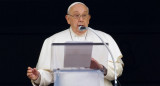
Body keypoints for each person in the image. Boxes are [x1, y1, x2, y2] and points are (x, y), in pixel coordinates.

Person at [27, 2, 124, 86]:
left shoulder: (104, 38)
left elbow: (118, 70)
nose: (81, 19)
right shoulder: (53, 40)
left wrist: (101, 68)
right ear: (68, 19)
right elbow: (49, 74)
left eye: (84, 15)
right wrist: (38, 77)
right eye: (76, 15)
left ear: (89, 18)